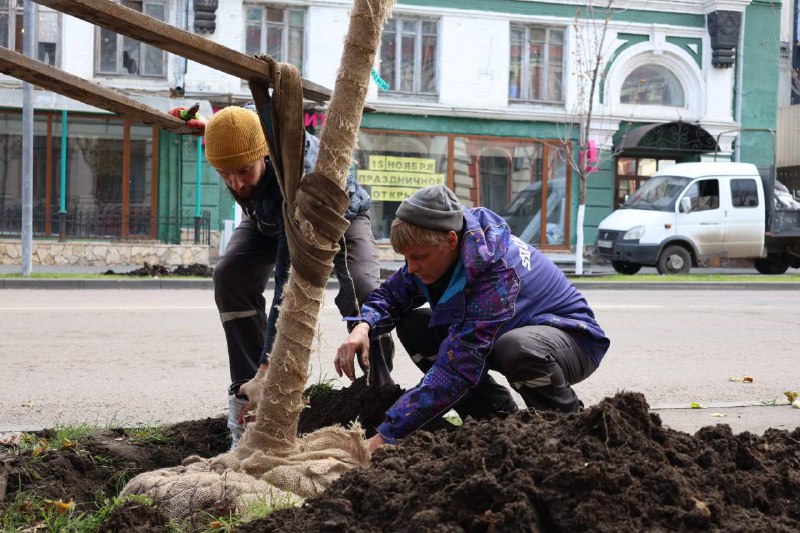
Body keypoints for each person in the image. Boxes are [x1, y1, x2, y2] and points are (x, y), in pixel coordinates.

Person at [175, 105, 395, 450]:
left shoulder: (298, 180)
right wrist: (206, 128)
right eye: (224, 173)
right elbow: (233, 130)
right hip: (267, 219)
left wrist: (269, 368)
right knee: (230, 275)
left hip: (335, 215)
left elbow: (287, 287)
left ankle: (378, 395)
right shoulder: (248, 127)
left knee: (363, 292)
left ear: (263, 153)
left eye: (244, 171)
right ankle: (250, 398)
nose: (235, 183)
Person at [335, 185, 610, 452]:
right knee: (415, 325)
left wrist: (387, 436)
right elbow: (392, 295)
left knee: (515, 349)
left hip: (571, 341)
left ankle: (569, 432)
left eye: (418, 257)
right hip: (504, 337)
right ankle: (493, 419)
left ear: (451, 240)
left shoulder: (498, 275)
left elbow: (455, 369)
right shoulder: (442, 246)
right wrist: (364, 325)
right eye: (406, 258)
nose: (412, 267)